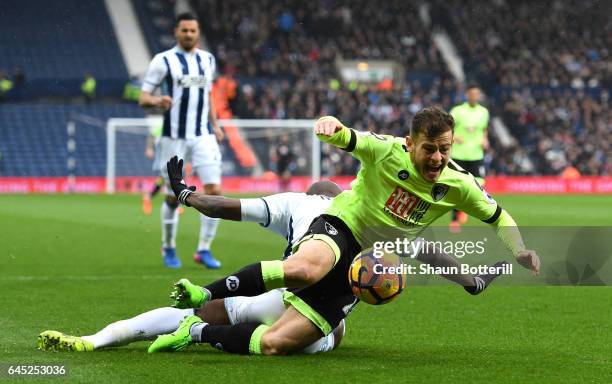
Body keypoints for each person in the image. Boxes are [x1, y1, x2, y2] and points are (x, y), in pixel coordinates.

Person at [148, 107, 540, 356]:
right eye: (429, 149)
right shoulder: (386, 151)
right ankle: (207, 293)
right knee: (306, 268)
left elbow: (499, 217)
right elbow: (348, 136)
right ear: (409, 144)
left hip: (368, 263)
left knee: (273, 345)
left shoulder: (459, 184)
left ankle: (196, 332)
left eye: (445, 148)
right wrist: (331, 128)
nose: (437, 157)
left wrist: (518, 249)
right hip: (341, 228)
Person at [38, 182, 346, 354]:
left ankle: (95, 340)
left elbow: (223, 206)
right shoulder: (358, 220)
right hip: (315, 319)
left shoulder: (296, 203)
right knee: (327, 335)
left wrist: (186, 194)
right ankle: (201, 332)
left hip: (279, 296)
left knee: (201, 310)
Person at [139, 12, 224, 269]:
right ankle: (168, 246)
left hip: (202, 135)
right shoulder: (163, 60)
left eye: (193, 31)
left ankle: (204, 249)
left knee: (215, 191)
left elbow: (208, 95)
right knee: (173, 196)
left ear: (198, 33)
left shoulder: (207, 60)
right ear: (176, 32)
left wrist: (216, 125)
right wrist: (157, 101)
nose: (189, 34)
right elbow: (143, 97)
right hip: (173, 137)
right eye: (184, 30)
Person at [449, 85, 490, 232]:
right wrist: (453, 137)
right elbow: (446, 128)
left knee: (479, 183)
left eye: (477, 94)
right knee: (457, 187)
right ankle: (454, 220)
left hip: (476, 154)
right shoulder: (457, 111)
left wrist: (485, 139)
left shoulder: (483, 112)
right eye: (472, 94)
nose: (474, 96)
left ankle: (464, 209)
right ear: (467, 95)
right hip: (459, 154)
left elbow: (484, 129)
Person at [142, 121, 165, 215]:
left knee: (164, 179)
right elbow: (152, 135)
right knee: (167, 178)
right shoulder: (164, 125)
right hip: (163, 157)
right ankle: (176, 205)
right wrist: (149, 148)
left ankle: (148, 196)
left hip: (175, 156)